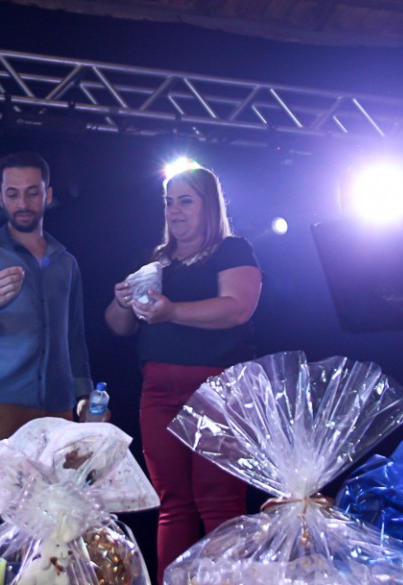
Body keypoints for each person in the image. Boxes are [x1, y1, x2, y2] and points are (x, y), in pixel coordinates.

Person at [104, 165, 262, 582]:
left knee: (219, 499)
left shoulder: (232, 249)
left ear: (209, 206)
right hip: (158, 389)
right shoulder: (154, 261)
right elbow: (119, 327)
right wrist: (122, 302)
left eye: (185, 201)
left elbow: (238, 307)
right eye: (169, 202)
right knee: (172, 503)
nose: (174, 211)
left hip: (216, 389)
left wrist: (172, 311)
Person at [0, 151, 93, 548]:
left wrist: (84, 396)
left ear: (48, 195)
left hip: (58, 406)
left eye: (31, 192)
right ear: (0, 198)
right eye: (13, 194)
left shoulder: (66, 262)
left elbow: (75, 336)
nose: (22, 203)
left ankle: (34, 577)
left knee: (53, 517)